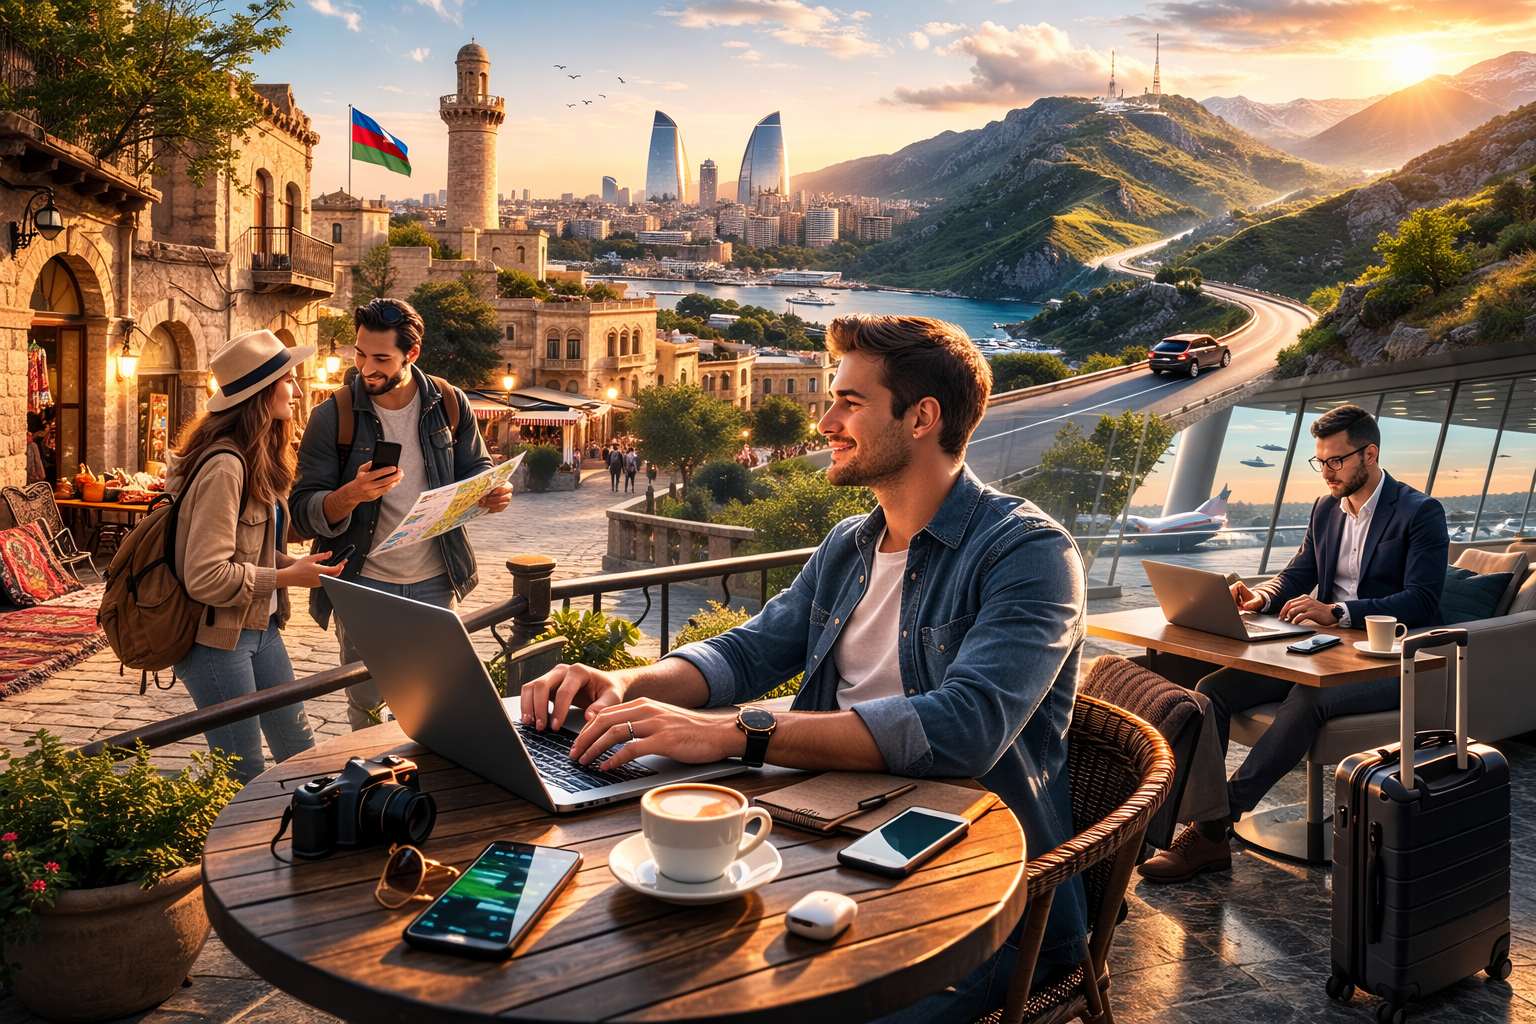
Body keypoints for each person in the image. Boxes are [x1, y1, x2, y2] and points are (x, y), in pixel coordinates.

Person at [521, 314, 1089, 1022]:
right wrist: (627, 684)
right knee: (648, 965)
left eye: (849, 402)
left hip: (982, 896)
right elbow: (749, 651)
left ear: (922, 418)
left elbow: (963, 729)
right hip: (826, 834)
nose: (825, 423)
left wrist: (736, 733)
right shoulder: (850, 544)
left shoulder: (1029, 553)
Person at [1139, 404, 1449, 883]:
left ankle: (1214, 826)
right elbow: (1298, 573)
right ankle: (1202, 825)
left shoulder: (1420, 512)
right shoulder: (1326, 508)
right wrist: (1260, 596)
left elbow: (1422, 601)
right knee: (1212, 690)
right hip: (1321, 648)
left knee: (1308, 697)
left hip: (1387, 661)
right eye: (1320, 461)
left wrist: (1338, 612)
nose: (1326, 472)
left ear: (1369, 454)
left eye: (1336, 461)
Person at [290, 298, 512, 730]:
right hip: (363, 584)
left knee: (437, 706)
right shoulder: (331, 416)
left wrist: (493, 492)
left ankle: (428, 774)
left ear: (412, 354)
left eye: (381, 359)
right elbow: (301, 512)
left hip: (436, 580)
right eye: (360, 354)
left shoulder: (450, 402)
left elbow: (478, 468)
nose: (365, 368)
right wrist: (349, 495)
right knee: (368, 708)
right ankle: (377, 777)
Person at [169, 330, 346, 785]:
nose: (298, 390)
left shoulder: (255, 456)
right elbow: (205, 576)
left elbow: (245, 549)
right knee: (242, 771)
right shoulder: (225, 466)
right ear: (262, 392)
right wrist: (288, 578)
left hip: (261, 628)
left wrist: (292, 565)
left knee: (300, 754)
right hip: (215, 640)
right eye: (288, 379)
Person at [25, 412, 46, 484]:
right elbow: (37, 460)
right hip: (34, 475)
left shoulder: (27, 445)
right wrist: (41, 475)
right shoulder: (33, 445)